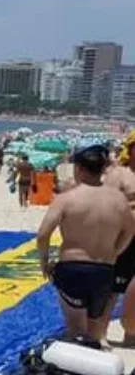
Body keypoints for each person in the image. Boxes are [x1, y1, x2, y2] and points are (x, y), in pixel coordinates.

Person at [36, 144, 135, 340]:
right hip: (104, 269)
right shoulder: (118, 200)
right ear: (102, 170)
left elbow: (43, 235)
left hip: (73, 267)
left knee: (75, 329)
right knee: (95, 329)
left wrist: (44, 262)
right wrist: (116, 251)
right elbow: (130, 230)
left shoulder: (66, 198)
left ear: (79, 169)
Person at [96, 136, 135, 345]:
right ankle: (101, 333)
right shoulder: (119, 174)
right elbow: (106, 205)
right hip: (123, 237)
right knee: (112, 289)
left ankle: (131, 335)